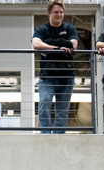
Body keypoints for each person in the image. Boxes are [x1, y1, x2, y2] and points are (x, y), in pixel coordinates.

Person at [32, 0, 79, 133]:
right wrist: (58, 47)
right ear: (49, 13)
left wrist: (47, 45)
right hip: (48, 76)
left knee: (62, 110)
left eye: (61, 12)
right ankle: (46, 134)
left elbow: (73, 45)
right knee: (44, 103)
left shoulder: (69, 28)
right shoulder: (42, 29)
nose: (59, 15)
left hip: (66, 76)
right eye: (56, 12)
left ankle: (59, 137)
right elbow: (36, 44)